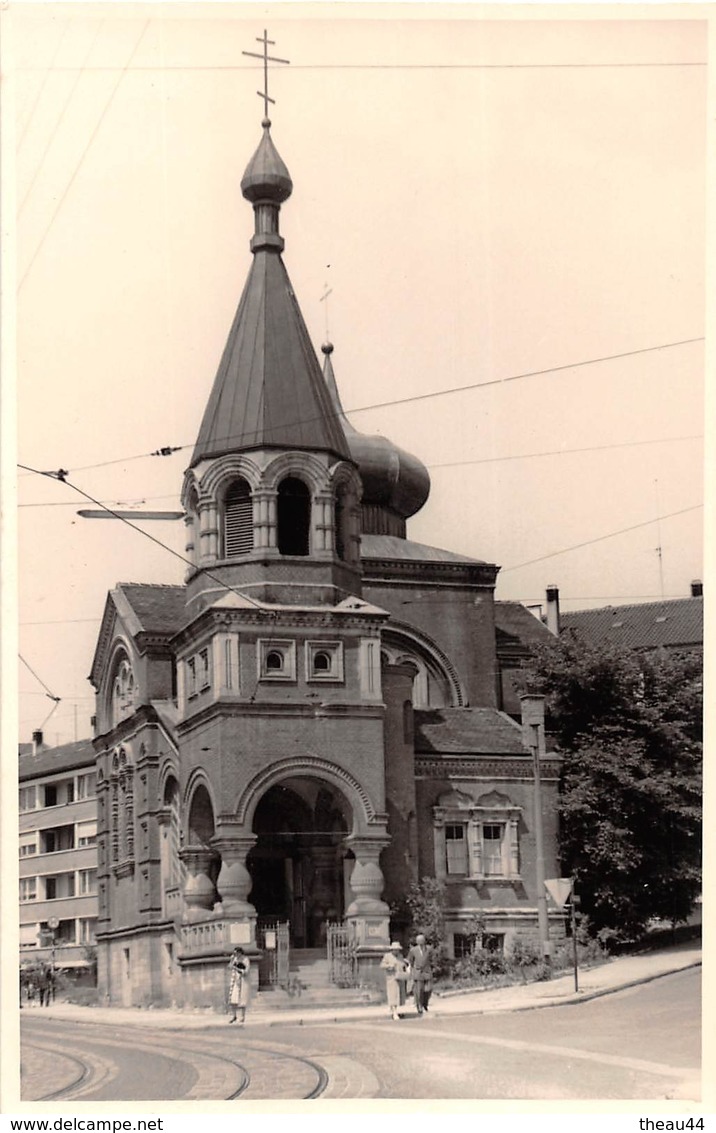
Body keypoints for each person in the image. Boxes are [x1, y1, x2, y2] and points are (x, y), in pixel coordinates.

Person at [380, 941, 408, 1021]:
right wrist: (389, 966)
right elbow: (382, 965)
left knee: (399, 995)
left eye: (398, 950)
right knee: (393, 995)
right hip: (391, 978)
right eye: (395, 950)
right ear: (392, 950)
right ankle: (394, 1012)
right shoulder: (387, 956)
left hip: (399, 977)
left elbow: (402, 964)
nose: (396, 951)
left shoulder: (400, 956)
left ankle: (393, 1009)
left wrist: (405, 966)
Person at [407, 933, 433, 1016]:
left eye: (422, 940)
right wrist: (412, 970)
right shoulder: (413, 950)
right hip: (418, 972)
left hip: (427, 971)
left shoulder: (429, 949)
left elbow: (431, 959)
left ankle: (425, 1003)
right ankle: (419, 1006)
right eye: (419, 941)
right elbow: (410, 961)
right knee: (419, 990)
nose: (420, 942)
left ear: (424, 941)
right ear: (417, 942)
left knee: (428, 990)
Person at [227, 947, 250, 1025]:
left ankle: (242, 1016)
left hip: (242, 981)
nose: (236, 955)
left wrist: (237, 968)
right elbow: (229, 967)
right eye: (234, 953)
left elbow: (246, 971)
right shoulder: (235, 959)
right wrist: (231, 960)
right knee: (233, 999)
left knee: (242, 999)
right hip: (235, 981)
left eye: (236, 953)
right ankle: (234, 1015)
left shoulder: (245, 960)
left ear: (240, 953)